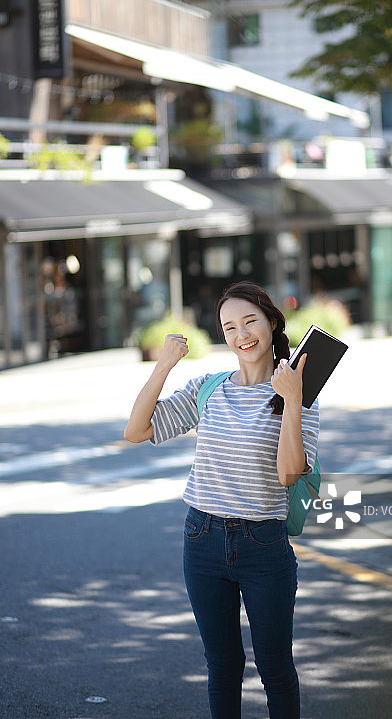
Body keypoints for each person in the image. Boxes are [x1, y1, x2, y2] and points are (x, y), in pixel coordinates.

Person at [124, 281, 319, 719]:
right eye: (229, 327)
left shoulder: (297, 392)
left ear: (271, 322)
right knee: (223, 668)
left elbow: (289, 473)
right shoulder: (208, 389)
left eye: (250, 320)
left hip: (264, 544)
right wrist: (163, 368)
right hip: (203, 539)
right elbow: (136, 431)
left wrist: (291, 400)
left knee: (275, 669)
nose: (241, 334)